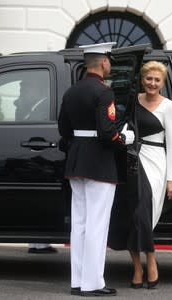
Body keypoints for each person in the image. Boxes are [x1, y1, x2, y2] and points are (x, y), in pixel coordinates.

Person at [58, 42, 134, 297]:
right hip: (100, 163)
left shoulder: (71, 92)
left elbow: (64, 131)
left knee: (79, 224)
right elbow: (106, 133)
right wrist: (125, 140)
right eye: (109, 61)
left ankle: (78, 281)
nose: (110, 65)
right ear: (102, 62)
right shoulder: (104, 93)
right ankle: (93, 283)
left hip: (77, 160)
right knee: (97, 225)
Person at [108, 61, 172, 289]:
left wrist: (171, 179)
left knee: (143, 215)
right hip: (133, 160)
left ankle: (151, 259)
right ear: (142, 80)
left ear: (163, 83)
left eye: (157, 80)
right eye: (149, 78)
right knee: (133, 215)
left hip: (156, 162)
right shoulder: (133, 101)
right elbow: (122, 127)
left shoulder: (168, 106)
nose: (152, 83)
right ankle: (139, 266)